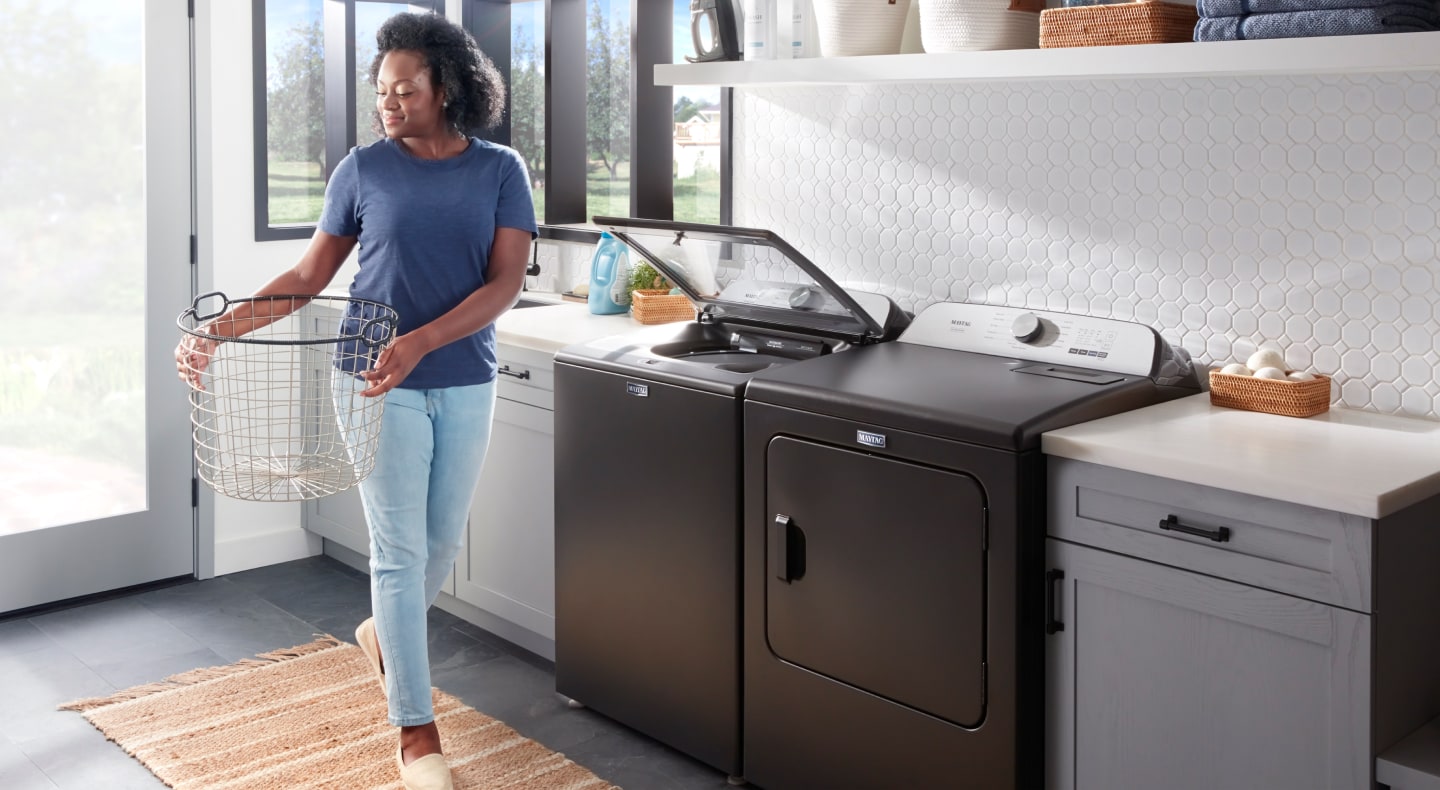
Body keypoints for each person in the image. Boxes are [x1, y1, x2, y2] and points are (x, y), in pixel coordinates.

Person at [176, 12, 536, 789]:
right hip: (372, 378)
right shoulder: (364, 170)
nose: (389, 102)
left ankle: (382, 634)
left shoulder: (501, 169)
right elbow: (307, 277)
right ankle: (414, 730)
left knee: (440, 544)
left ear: (449, 87)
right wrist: (219, 329)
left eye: (405, 89)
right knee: (400, 554)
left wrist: (425, 342)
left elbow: (505, 283)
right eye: (382, 91)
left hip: (464, 374)